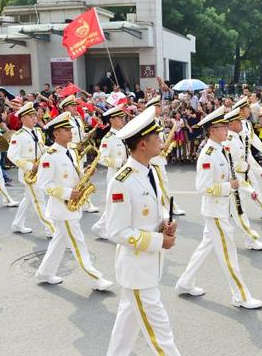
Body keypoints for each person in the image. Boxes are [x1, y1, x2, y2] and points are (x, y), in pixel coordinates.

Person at [104, 106, 180, 356]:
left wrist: (164, 226)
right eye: (157, 137)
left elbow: (149, 216)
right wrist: (160, 241)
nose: (162, 140)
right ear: (143, 145)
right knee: (161, 335)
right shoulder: (122, 181)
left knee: (126, 327)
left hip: (147, 267)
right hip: (137, 271)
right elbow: (116, 231)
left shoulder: (151, 172)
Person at [175, 106, 262, 309]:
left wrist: (242, 186)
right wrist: (228, 187)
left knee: (205, 247)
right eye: (223, 127)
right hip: (215, 211)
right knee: (229, 255)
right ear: (213, 130)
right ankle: (241, 296)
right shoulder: (208, 154)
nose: (227, 130)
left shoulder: (220, 149)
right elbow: (203, 187)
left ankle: (185, 282)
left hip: (220, 208)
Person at [34, 111, 113, 291]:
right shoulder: (50, 155)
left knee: (59, 241)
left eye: (70, 129)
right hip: (63, 208)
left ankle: (44, 272)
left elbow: (73, 176)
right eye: (66, 129)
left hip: (71, 205)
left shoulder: (70, 151)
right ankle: (96, 278)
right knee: (78, 244)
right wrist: (68, 193)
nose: (70, 132)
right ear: (55, 134)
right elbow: (44, 184)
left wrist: (85, 173)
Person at [223, 107, 262, 251]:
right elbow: (230, 165)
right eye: (238, 121)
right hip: (234, 181)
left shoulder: (236, 137)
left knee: (225, 217)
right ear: (230, 124)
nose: (241, 123)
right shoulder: (229, 140)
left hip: (238, 180)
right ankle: (251, 240)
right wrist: (245, 169)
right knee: (239, 213)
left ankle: (220, 239)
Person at [7, 102, 54, 237]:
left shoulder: (37, 132)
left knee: (28, 198)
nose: (34, 118)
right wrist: (29, 166)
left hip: (39, 170)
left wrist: (51, 149)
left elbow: (41, 148)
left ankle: (17, 224)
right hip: (29, 173)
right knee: (39, 200)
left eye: (34, 115)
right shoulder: (18, 135)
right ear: (22, 119)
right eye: (30, 116)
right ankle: (50, 229)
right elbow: (12, 155)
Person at [234, 96, 262, 217]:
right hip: (237, 164)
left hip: (246, 162)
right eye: (248, 108)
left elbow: (253, 140)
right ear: (241, 110)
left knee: (249, 187)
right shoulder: (234, 125)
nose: (250, 110)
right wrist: (259, 169)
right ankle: (261, 211)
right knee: (241, 189)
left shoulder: (247, 124)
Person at [91, 105, 128, 240]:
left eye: (123, 117)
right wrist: (119, 163)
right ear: (112, 120)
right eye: (120, 118)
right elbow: (101, 158)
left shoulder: (123, 134)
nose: (122, 120)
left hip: (125, 173)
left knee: (119, 202)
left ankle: (103, 227)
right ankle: (102, 227)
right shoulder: (108, 138)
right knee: (115, 202)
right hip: (115, 174)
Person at [146, 95, 186, 216]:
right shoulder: (150, 122)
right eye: (158, 106)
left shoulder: (159, 120)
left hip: (159, 156)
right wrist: (161, 146)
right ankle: (170, 208)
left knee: (159, 184)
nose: (160, 108)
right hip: (154, 158)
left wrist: (166, 145)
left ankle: (165, 207)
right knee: (162, 184)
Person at [58, 95, 99, 213]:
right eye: (72, 106)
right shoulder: (64, 121)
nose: (75, 108)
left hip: (80, 151)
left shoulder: (78, 118)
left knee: (82, 176)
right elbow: (65, 139)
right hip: (72, 151)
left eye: (75, 105)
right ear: (65, 108)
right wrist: (76, 146)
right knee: (78, 177)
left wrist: (89, 134)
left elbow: (81, 134)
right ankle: (83, 202)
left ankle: (83, 201)